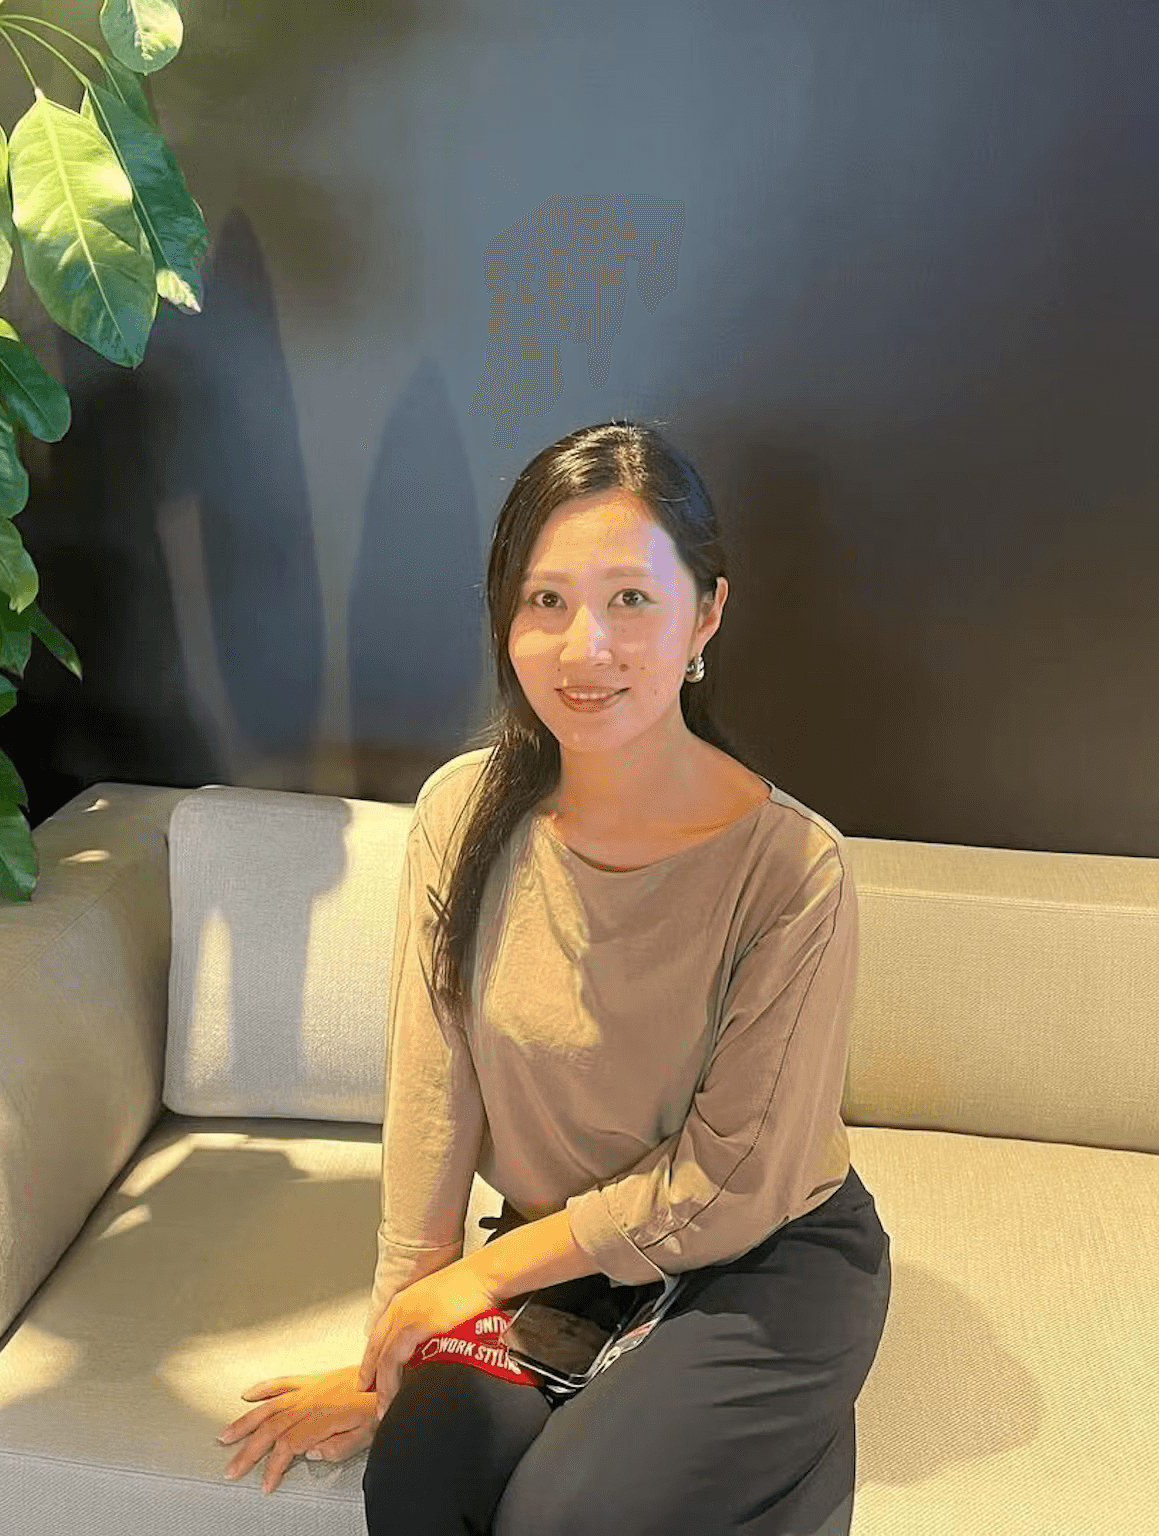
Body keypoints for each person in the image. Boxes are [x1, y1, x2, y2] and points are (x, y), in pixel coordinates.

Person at [216, 420, 893, 1533]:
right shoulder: (461, 816)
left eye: (630, 598)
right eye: (546, 602)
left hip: (764, 1261)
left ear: (704, 615)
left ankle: (788, 1432)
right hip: (559, 1260)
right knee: (421, 1485)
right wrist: (395, 1341)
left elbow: (727, 1183)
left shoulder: (791, 870)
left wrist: (474, 1283)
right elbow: (432, 1102)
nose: (587, 646)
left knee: (565, 1517)